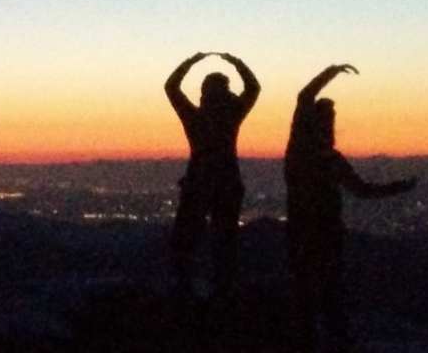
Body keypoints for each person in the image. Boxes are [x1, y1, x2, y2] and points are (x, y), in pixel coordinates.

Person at [284, 64, 415, 353]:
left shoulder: (327, 158)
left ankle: (324, 342)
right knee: (315, 295)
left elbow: (362, 190)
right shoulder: (303, 152)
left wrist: (399, 187)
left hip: (321, 234)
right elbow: (304, 96)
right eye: (327, 120)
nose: (330, 126)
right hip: (310, 235)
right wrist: (331, 72)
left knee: (323, 295)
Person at [164, 51, 260, 299]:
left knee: (185, 239)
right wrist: (236, 62)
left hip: (198, 182)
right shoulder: (232, 115)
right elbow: (253, 87)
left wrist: (191, 61)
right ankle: (222, 291)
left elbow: (171, 87)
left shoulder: (195, 117)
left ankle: (185, 288)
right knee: (225, 241)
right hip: (228, 183)